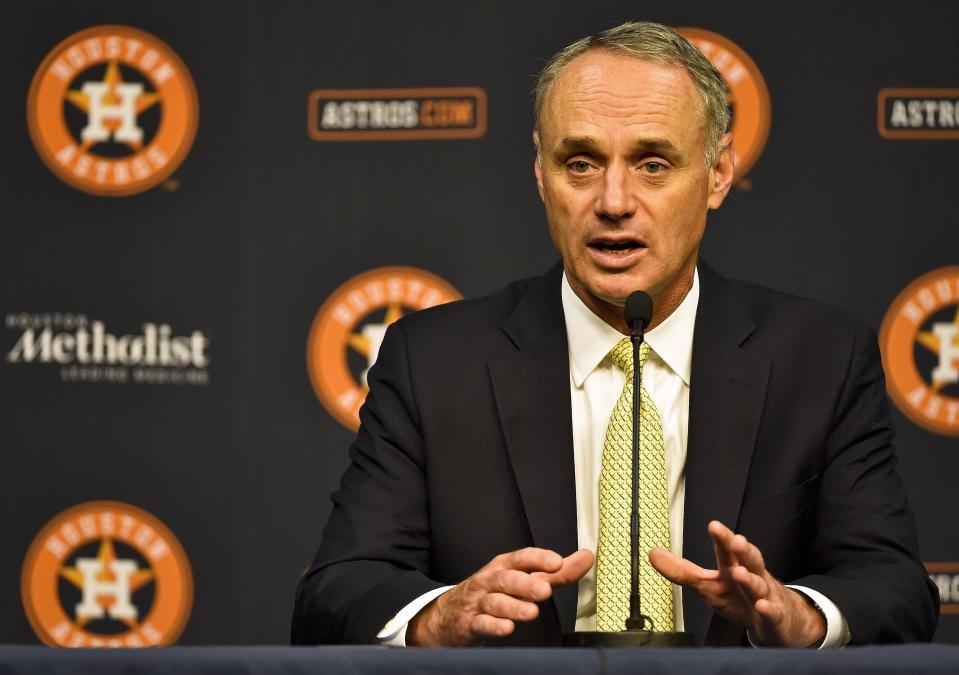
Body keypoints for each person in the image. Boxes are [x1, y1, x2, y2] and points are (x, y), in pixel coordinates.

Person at [291, 22, 938, 647]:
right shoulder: (431, 362)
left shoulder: (819, 358)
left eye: (653, 164)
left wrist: (799, 616)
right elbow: (337, 591)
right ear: (540, 174)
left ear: (716, 175)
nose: (613, 200)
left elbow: (893, 587)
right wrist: (439, 615)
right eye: (579, 163)